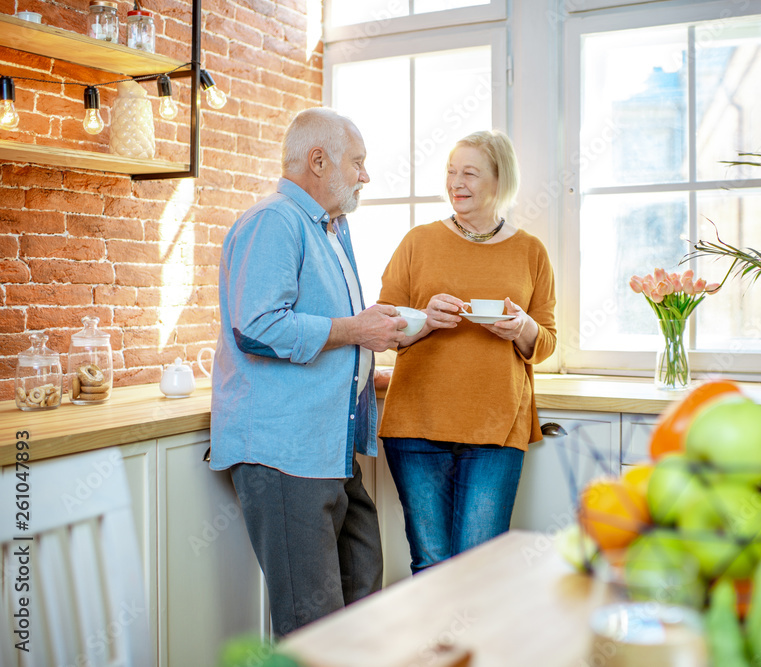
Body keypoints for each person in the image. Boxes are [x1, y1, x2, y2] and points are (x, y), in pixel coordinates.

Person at [209, 108, 407, 637]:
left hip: (329, 449)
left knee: (363, 599)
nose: (365, 175)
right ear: (318, 161)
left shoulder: (330, 229)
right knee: (309, 626)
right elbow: (257, 326)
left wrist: (362, 368)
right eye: (358, 163)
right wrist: (358, 335)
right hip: (284, 455)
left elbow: (326, 325)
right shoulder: (274, 221)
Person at [377, 130, 557, 574]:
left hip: (496, 426)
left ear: (499, 181)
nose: (456, 182)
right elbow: (383, 326)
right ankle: (439, 648)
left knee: (479, 569)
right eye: (451, 172)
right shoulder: (417, 242)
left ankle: (474, 647)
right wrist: (423, 318)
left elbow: (546, 340)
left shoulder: (530, 251)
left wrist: (522, 328)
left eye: (470, 173)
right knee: (432, 564)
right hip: (417, 423)